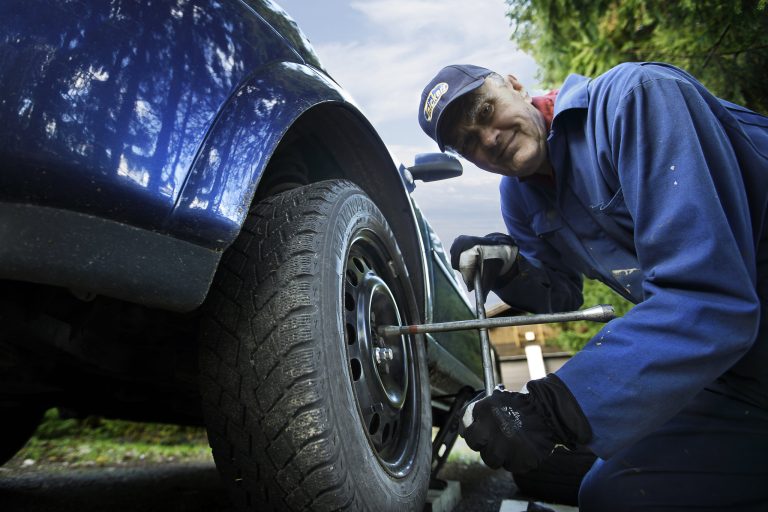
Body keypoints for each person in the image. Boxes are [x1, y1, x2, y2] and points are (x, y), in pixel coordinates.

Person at [417, 62, 768, 511]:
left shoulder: (635, 100)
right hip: (737, 369)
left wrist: (551, 410)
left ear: (516, 87)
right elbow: (563, 295)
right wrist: (511, 270)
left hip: (732, 335)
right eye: (468, 143)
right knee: (610, 494)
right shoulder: (520, 197)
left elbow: (709, 298)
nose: (488, 139)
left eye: (486, 110)